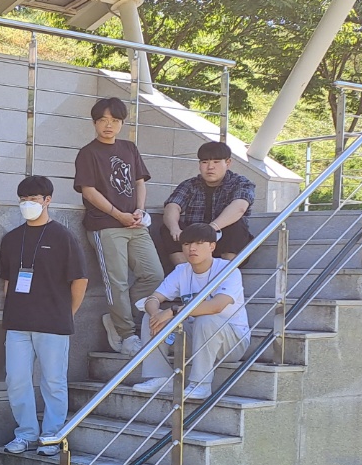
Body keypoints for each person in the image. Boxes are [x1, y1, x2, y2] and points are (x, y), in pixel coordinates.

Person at [0, 176, 88, 456]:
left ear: (48, 200)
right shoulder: (11, 239)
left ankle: (51, 435)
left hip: (53, 324)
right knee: (16, 380)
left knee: (53, 381)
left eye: (34, 199)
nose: (28, 204)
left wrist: (66, 314)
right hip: (18, 323)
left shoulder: (64, 237)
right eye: (23, 200)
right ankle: (26, 434)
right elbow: (7, 282)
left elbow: (80, 280)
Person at [74, 96, 161, 357]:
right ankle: (126, 334)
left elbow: (139, 182)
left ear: (122, 123)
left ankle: (117, 318)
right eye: (103, 120)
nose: (108, 125)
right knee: (117, 282)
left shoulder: (129, 148)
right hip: (105, 226)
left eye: (114, 120)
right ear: (94, 123)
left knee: (155, 275)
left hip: (135, 224)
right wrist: (117, 214)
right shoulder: (88, 153)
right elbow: (89, 191)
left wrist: (139, 210)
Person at [132, 222, 251, 401]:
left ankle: (201, 384)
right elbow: (154, 298)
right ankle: (160, 377)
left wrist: (173, 311)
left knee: (206, 318)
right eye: (187, 244)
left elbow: (216, 306)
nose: (192, 249)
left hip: (231, 342)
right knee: (151, 317)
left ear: (212, 246)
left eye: (199, 244)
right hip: (195, 339)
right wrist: (155, 313)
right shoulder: (182, 270)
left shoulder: (228, 270)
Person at [155, 141, 257, 271]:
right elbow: (172, 206)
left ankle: (224, 272)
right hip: (195, 243)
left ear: (228, 163)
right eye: (204, 162)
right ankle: (186, 272)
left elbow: (239, 207)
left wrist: (210, 229)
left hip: (222, 239)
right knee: (168, 227)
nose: (210, 167)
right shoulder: (190, 184)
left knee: (236, 225)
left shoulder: (241, 183)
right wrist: (174, 228)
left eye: (216, 162)